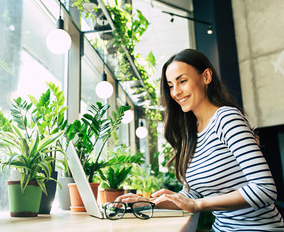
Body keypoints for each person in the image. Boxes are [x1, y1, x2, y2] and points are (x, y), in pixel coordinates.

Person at [116, 49, 284, 231]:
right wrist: (150, 203)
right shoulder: (191, 133)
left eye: (182, 81)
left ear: (206, 77)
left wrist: (198, 205)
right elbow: (192, 195)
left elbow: (265, 189)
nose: (175, 92)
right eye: (171, 85)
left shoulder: (226, 118)